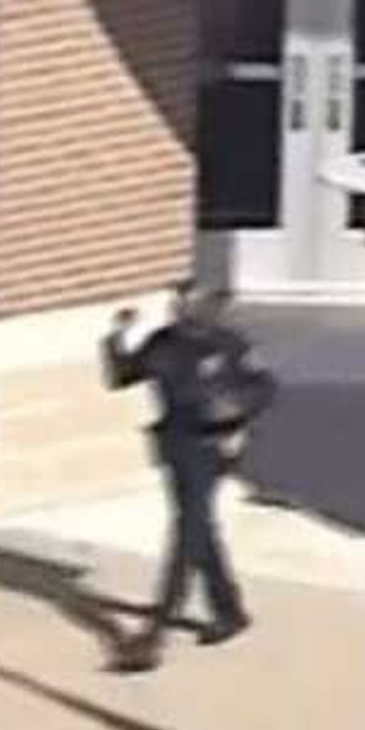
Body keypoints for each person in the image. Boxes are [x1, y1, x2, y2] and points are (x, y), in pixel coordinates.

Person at [102, 283, 277, 672]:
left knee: (187, 529)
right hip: (176, 445)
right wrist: (117, 338)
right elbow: (123, 375)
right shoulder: (162, 344)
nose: (180, 307)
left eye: (188, 301)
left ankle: (156, 631)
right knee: (198, 528)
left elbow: (263, 387)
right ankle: (229, 609)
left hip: (213, 444)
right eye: (177, 301)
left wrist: (236, 418)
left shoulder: (229, 344)